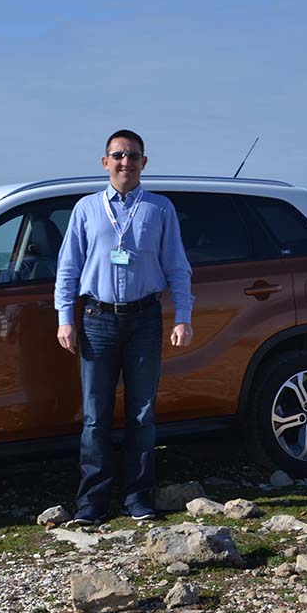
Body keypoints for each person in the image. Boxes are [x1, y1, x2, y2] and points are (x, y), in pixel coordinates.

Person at [54, 129, 194, 524]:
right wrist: (65, 319)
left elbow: (178, 268)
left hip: (145, 319)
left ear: (144, 163)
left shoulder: (159, 208)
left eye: (132, 156)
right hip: (97, 319)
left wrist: (183, 317)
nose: (125, 163)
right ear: (105, 162)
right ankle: (92, 502)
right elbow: (68, 269)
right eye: (117, 155)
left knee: (142, 414)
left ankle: (138, 497)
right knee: (95, 415)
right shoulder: (86, 209)